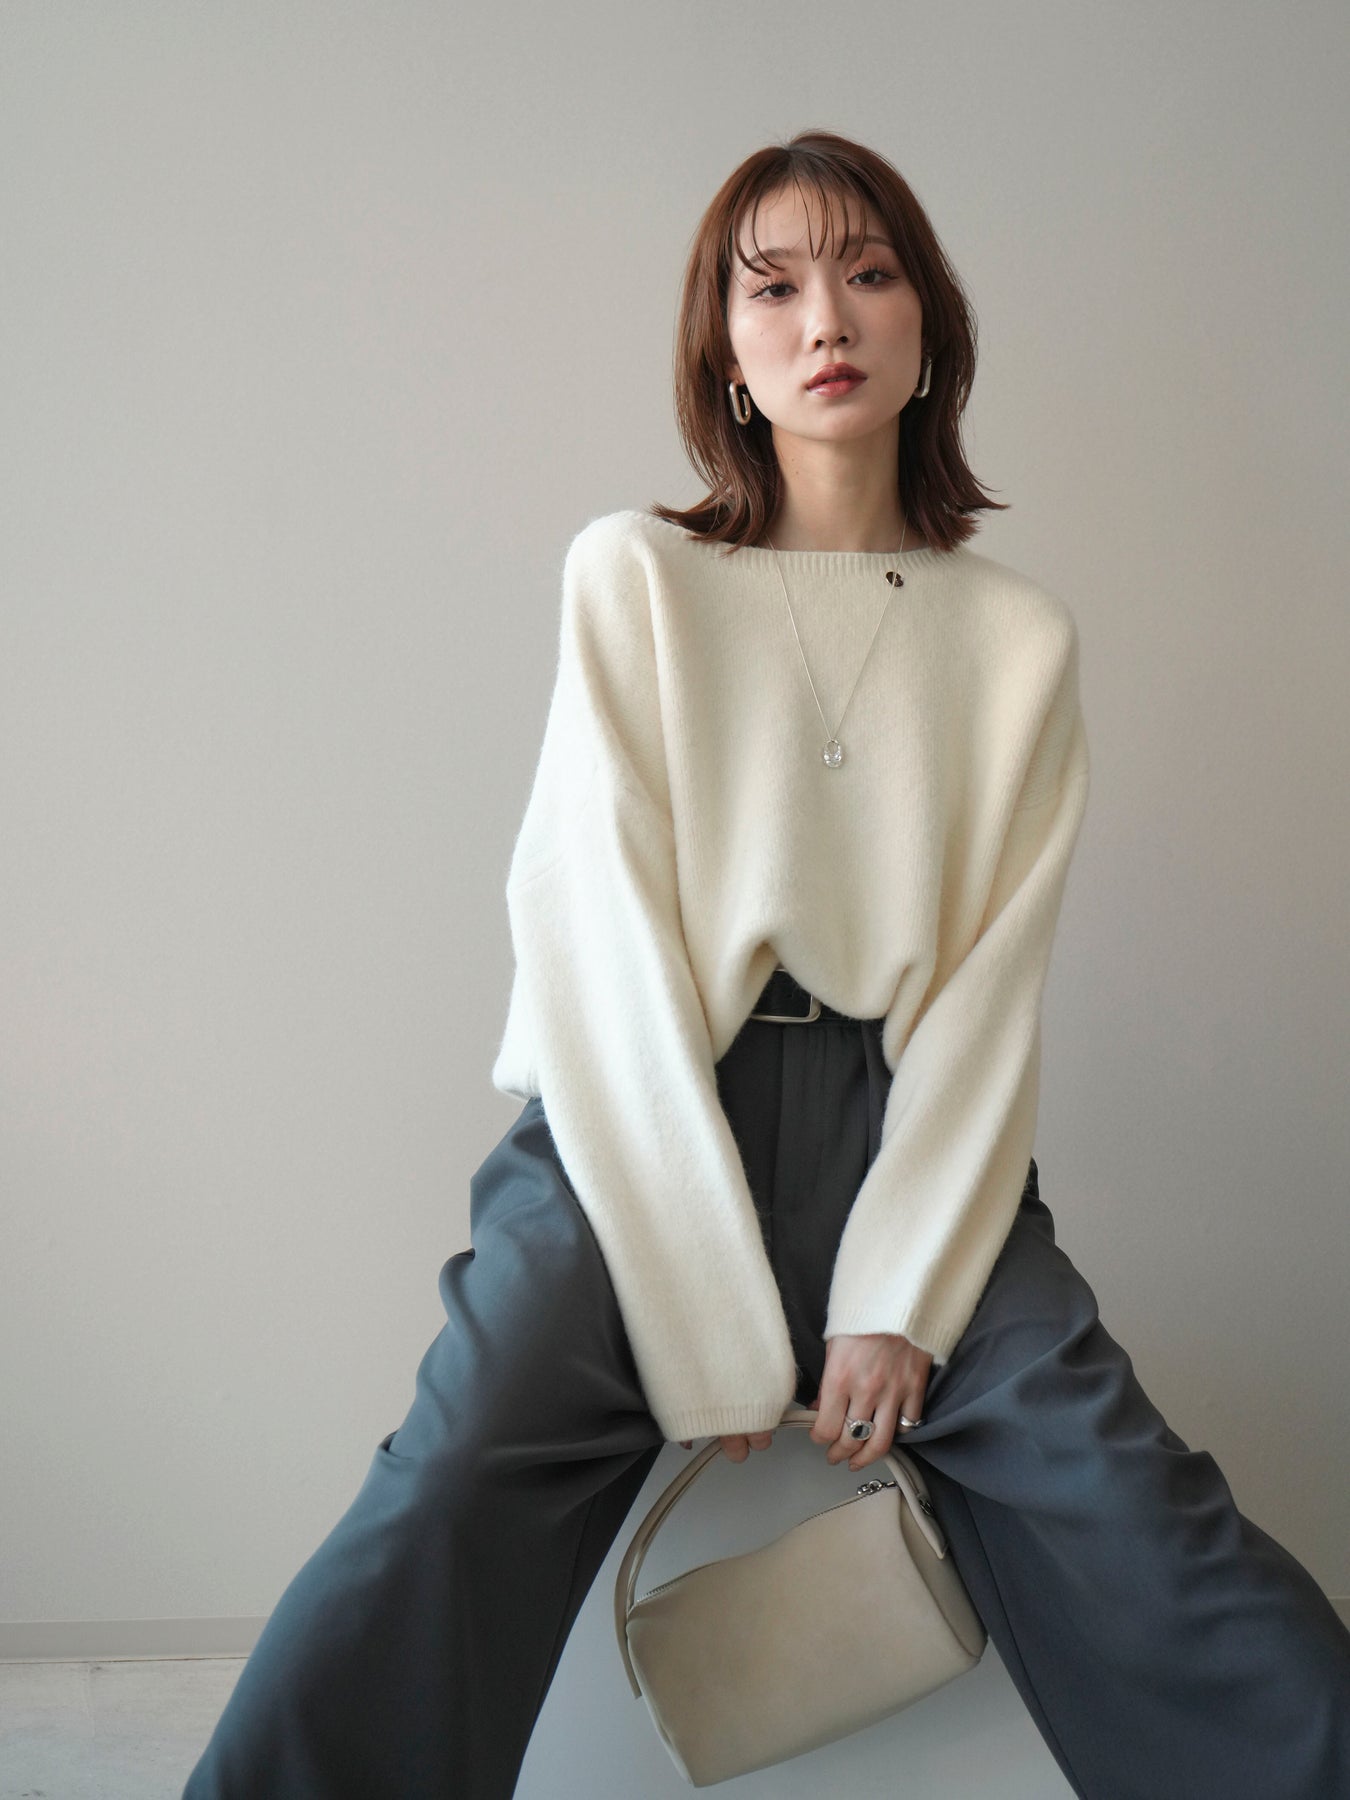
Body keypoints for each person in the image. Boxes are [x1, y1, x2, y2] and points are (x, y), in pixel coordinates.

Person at [183, 129, 1350, 1800]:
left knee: (1134, 1501)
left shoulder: (1015, 636)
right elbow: (588, 940)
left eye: (868, 274)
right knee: (444, 1483)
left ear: (928, 327)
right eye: (774, 287)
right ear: (723, 354)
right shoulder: (635, 577)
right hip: (637, 1125)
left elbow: (987, 989)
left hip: (907, 1131)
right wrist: (705, 1316)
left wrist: (893, 1301)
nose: (826, 319)